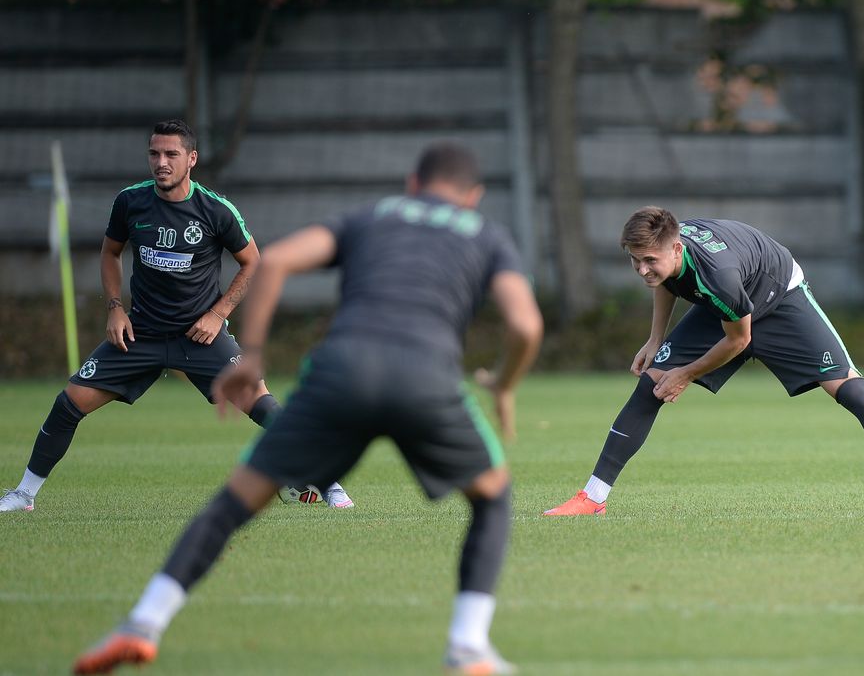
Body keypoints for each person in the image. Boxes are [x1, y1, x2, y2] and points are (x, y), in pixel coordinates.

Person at [72, 142, 543, 675]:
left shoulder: (372, 216)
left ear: (412, 183)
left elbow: (274, 260)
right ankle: (467, 646)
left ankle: (144, 623)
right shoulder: (486, 235)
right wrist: (503, 385)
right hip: (427, 380)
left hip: (340, 374)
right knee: (493, 497)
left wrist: (251, 354)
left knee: (235, 502)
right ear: (473, 197)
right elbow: (526, 325)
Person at [0, 120, 353, 512]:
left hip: (200, 337)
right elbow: (110, 252)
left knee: (263, 404)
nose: (161, 162)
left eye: (171, 154)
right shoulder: (130, 202)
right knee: (69, 403)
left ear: (192, 159)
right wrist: (115, 309)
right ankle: (23, 495)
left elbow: (254, 263)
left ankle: (329, 481)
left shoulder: (216, 210)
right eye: (154, 153)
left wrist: (219, 314)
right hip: (141, 335)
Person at [544, 208, 864, 516]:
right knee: (651, 383)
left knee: (849, 389)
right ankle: (593, 498)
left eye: (649, 259)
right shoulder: (671, 253)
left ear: (676, 248)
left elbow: (739, 340)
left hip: (779, 296)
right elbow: (667, 282)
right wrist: (655, 339)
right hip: (732, 306)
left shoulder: (719, 276)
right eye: (635, 261)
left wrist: (684, 374)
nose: (643, 269)